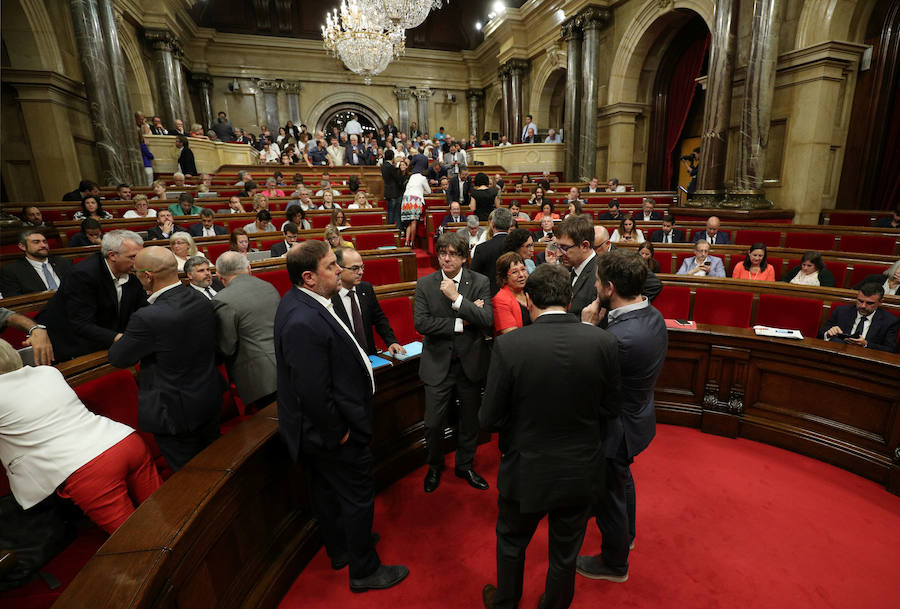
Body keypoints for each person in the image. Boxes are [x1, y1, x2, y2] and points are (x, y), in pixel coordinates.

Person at [479, 264, 621, 609]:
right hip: (581, 469)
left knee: (512, 542)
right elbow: (611, 408)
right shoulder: (604, 342)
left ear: (529, 300)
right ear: (571, 298)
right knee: (565, 551)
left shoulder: (510, 346)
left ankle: (506, 602)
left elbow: (489, 418)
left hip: (526, 469)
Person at [274, 240, 409, 591]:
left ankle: (341, 549)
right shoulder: (302, 318)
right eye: (332, 266)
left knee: (328, 492)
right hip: (331, 433)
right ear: (309, 277)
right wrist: (340, 433)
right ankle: (365, 570)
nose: (339, 271)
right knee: (356, 496)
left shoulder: (306, 301)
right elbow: (313, 391)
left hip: (323, 432)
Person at [0, 339, 162, 534]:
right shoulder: (47, 372)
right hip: (124, 440)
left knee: (136, 540)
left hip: (88, 468)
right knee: (163, 516)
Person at [577, 249, 667, 584]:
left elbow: (585, 383)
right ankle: (626, 537)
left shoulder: (616, 340)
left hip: (616, 430)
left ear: (609, 288)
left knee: (609, 496)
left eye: (598, 281)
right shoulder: (652, 316)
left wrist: (587, 328)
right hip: (638, 417)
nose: (595, 285)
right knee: (623, 481)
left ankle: (615, 563)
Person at [108, 246, 224, 472]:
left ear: (147, 276)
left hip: (175, 414)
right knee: (217, 467)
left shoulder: (147, 317)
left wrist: (122, 338)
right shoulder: (199, 298)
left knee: (191, 480)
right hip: (208, 398)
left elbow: (118, 358)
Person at [414, 231, 493, 494]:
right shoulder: (426, 284)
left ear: (463, 258)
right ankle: (435, 466)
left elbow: (486, 319)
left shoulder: (479, 281)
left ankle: (465, 465)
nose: (446, 259)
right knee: (433, 423)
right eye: (442, 253)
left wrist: (457, 299)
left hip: (470, 363)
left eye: (453, 254)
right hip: (437, 364)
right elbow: (422, 323)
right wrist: (462, 320)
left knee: (470, 421)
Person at [36, 230, 147, 361]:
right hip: (74, 343)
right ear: (112, 256)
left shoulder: (131, 271)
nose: (139, 262)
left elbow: (141, 307)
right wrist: (120, 338)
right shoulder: (83, 275)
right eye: (133, 257)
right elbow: (81, 324)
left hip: (106, 333)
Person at [210, 252, 280, 410]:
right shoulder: (267, 286)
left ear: (219, 276)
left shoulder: (222, 299)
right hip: (286, 363)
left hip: (259, 378)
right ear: (249, 268)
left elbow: (226, 347)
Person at [330, 248, 406, 357]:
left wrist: (391, 341)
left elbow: (379, 318)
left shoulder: (366, 288)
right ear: (338, 269)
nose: (361, 272)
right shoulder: (330, 296)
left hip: (370, 356)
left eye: (362, 267)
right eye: (355, 268)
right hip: (344, 360)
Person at [819, 283, 899, 353]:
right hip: (838, 354)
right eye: (860, 301)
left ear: (880, 302)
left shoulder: (890, 321)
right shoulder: (841, 311)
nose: (863, 306)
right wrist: (828, 333)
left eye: (869, 303)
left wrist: (865, 344)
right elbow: (821, 333)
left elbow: (890, 349)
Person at [0, 230, 73, 297]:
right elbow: (13, 301)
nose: (43, 245)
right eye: (36, 242)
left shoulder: (63, 262)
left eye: (45, 242)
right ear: (22, 246)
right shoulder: (11, 271)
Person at [557, 215, 598, 318]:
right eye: (558, 247)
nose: (558, 253)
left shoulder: (600, 275)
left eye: (564, 248)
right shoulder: (570, 268)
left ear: (585, 246)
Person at [471, 208, 513, 295]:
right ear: (510, 225)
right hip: (513, 295)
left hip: (489, 296)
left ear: (492, 224)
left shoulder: (481, 248)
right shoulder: (517, 246)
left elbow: (473, 277)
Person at [491, 252, 530, 335]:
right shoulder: (500, 299)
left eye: (523, 269)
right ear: (504, 277)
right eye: (515, 272)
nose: (521, 275)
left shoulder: (531, 292)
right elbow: (511, 336)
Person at [400, 154, 431, 247]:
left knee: (409, 221)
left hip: (406, 199)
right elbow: (429, 191)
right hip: (415, 200)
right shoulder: (422, 178)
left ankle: (407, 242)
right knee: (414, 222)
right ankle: (412, 242)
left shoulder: (412, 177)